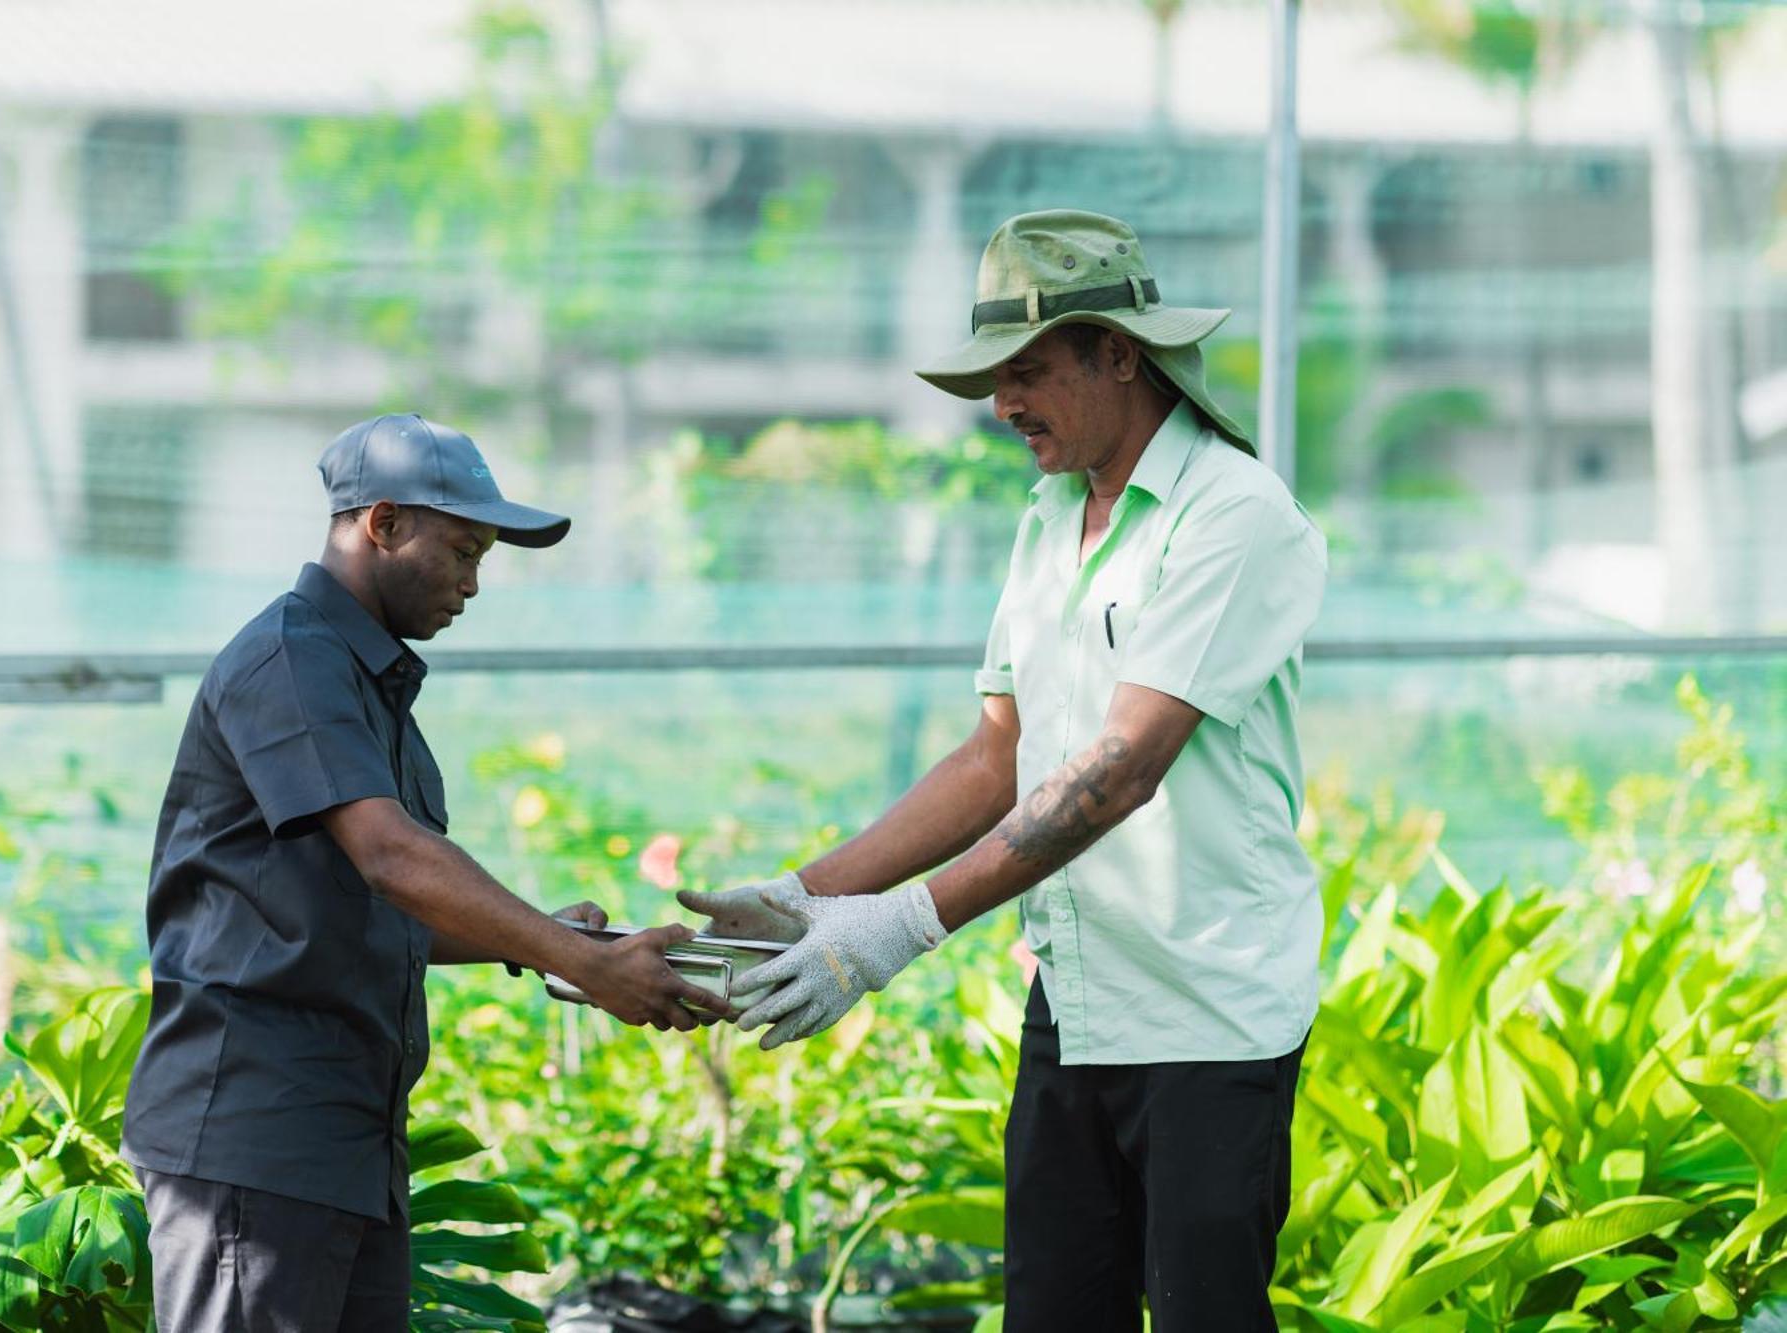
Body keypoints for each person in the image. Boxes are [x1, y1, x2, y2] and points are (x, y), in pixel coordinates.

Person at [680, 211, 1328, 1331]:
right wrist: (812, 896)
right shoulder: (1049, 518)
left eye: (1025, 371)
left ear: (1117, 354)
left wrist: (900, 928)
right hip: (1076, 998)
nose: (1000, 406)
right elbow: (997, 754)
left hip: (1205, 1013)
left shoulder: (1232, 515)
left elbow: (1119, 769)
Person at [121, 413, 731, 1333]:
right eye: (462, 549)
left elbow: (359, 903)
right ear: (384, 523)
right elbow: (391, 855)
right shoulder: (291, 656)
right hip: (259, 1137)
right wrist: (580, 958)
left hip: (345, 1141)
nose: (473, 582)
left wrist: (538, 940)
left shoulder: (363, 679)